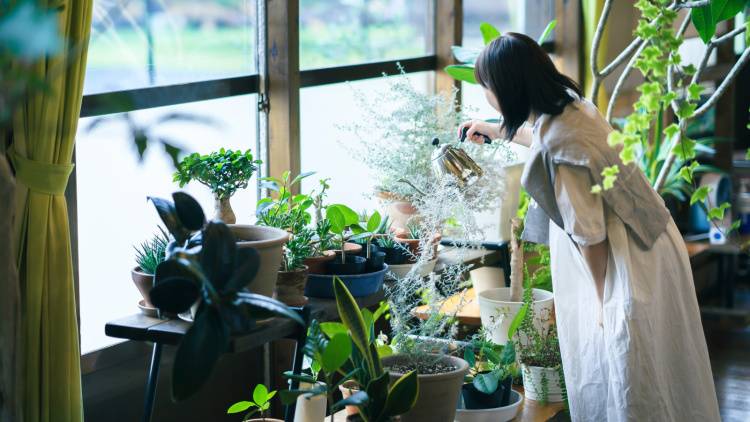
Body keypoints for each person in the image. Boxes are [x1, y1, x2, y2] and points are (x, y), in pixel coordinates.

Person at [459, 32, 720, 421]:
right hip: (652, 241)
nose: (485, 95)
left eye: (487, 87)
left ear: (509, 88)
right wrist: (497, 129)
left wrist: (601, 304)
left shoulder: (561, 152)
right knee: (666, 371)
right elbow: (549, 137)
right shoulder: (572, 107)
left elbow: (590, 235)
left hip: (624, 265)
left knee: (628, 378)